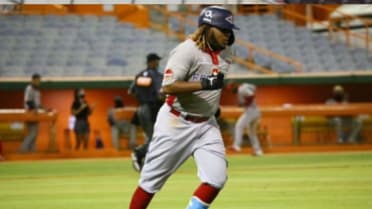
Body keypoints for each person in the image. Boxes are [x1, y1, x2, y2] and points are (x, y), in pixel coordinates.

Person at [128, 6, 239, 209]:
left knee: (217, 178)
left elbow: (215, 81)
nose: (228, 34)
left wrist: (212, 103)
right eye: (223, 29)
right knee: (150, 182)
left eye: (229, 30)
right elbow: (167, 87)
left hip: (207, 124)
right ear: (208, 28)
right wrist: (204, 84)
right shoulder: (186, 51)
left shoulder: (228, 50)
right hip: (176, 122)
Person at [129, 53, 164, 171]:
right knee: (156, 139)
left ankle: (147, 163)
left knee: (151, 137)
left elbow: (132, 92)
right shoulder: (157, 76)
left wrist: (143, 97)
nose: (158, 63)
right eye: (157, 61)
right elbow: (160, 95)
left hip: (141, 109)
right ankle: (139, 153)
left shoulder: (139, 76)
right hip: (152, 109)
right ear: (152, 62)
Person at [229, 83, 263, 156]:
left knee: (239, 126)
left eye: (231, 87)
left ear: (236, 85)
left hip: (251, 111)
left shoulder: (242, 89)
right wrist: (243, 104)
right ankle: (258, 151)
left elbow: (251, 95)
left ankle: (237, 145)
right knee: (252, 133)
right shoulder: (240, 90)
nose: (231, 89)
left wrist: (245, 103)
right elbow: (254, 87)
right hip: (254, 112)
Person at [19, 73, 43, 153]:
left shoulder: (37, 90)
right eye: (37, 80)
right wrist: (35, 108)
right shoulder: (29, 88)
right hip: (30, 112)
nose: (38, 82)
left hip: (36, 113)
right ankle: (22, 150)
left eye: (39, 81)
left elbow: (38, 104)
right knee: (32, 133)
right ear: (32, 80)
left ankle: (32, 151)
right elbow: (28, 101)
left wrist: (45, 109)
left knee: (35, 133)